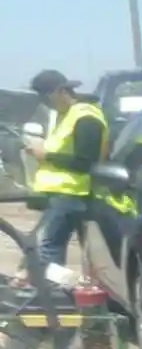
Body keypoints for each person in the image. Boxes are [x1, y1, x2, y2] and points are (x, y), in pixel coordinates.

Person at [21, 69, 109, 269]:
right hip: (60, 195)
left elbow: (86, 162)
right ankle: (52, 288)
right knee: (50, 246)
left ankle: (48, 291)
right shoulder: (66, 115)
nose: (44, 103)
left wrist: (46, 155)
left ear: (61, 91)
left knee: (48, 247)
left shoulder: (87, 118)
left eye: (46, 97)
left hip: (71, 194)